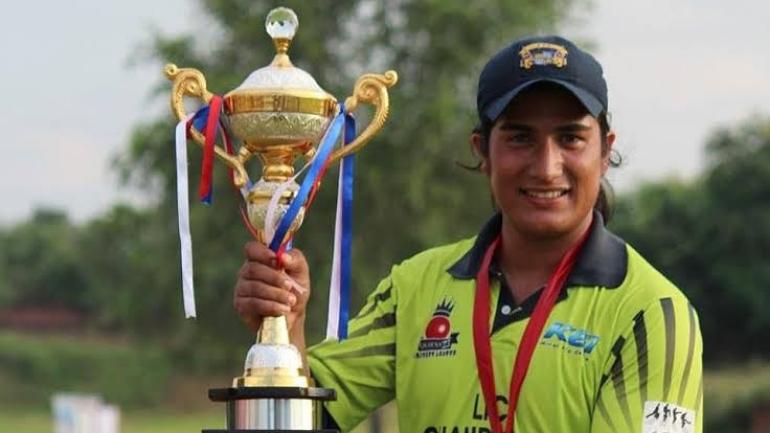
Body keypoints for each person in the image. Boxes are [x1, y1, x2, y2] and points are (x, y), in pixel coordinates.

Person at [234, 35, 703, 433]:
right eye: (520, 137)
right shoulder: (415, 287)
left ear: (604, 152)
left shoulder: (652, 313)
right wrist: (288, 326)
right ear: (483, 152)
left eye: (570, 138)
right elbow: (310, 420)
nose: (546, 167)